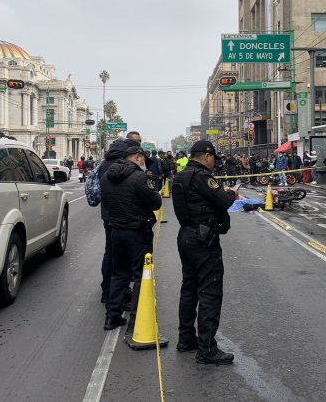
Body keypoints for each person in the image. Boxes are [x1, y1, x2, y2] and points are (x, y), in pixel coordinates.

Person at [172, 140, 236, 365]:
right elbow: (222, 201)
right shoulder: (202, 177)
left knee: (189, 289)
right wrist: (230, 193)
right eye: (213, 159)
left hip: (186, 236)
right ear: (207, 156)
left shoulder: (179, 175)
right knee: (210, 291)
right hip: (204, 239)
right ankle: (207, 349)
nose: (213, 164)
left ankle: (185, 338)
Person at [102, 145, 162, 330]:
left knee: (119, 274)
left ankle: (112, 316)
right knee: (140, 276)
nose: (144, 162)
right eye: (143, 158)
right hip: (137, 231)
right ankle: (137, 319)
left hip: (116, 230)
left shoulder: (107, 176)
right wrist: (151, 188)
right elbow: (156, 202)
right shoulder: (139, 178)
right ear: (136, 157)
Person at [98, 138, 142, 305]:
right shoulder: (124, 165)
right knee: (125, 261)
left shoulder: (104, 164)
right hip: (126, 217)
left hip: (108, 214)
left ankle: (107, 291)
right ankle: (124, 294)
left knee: (110, 253)